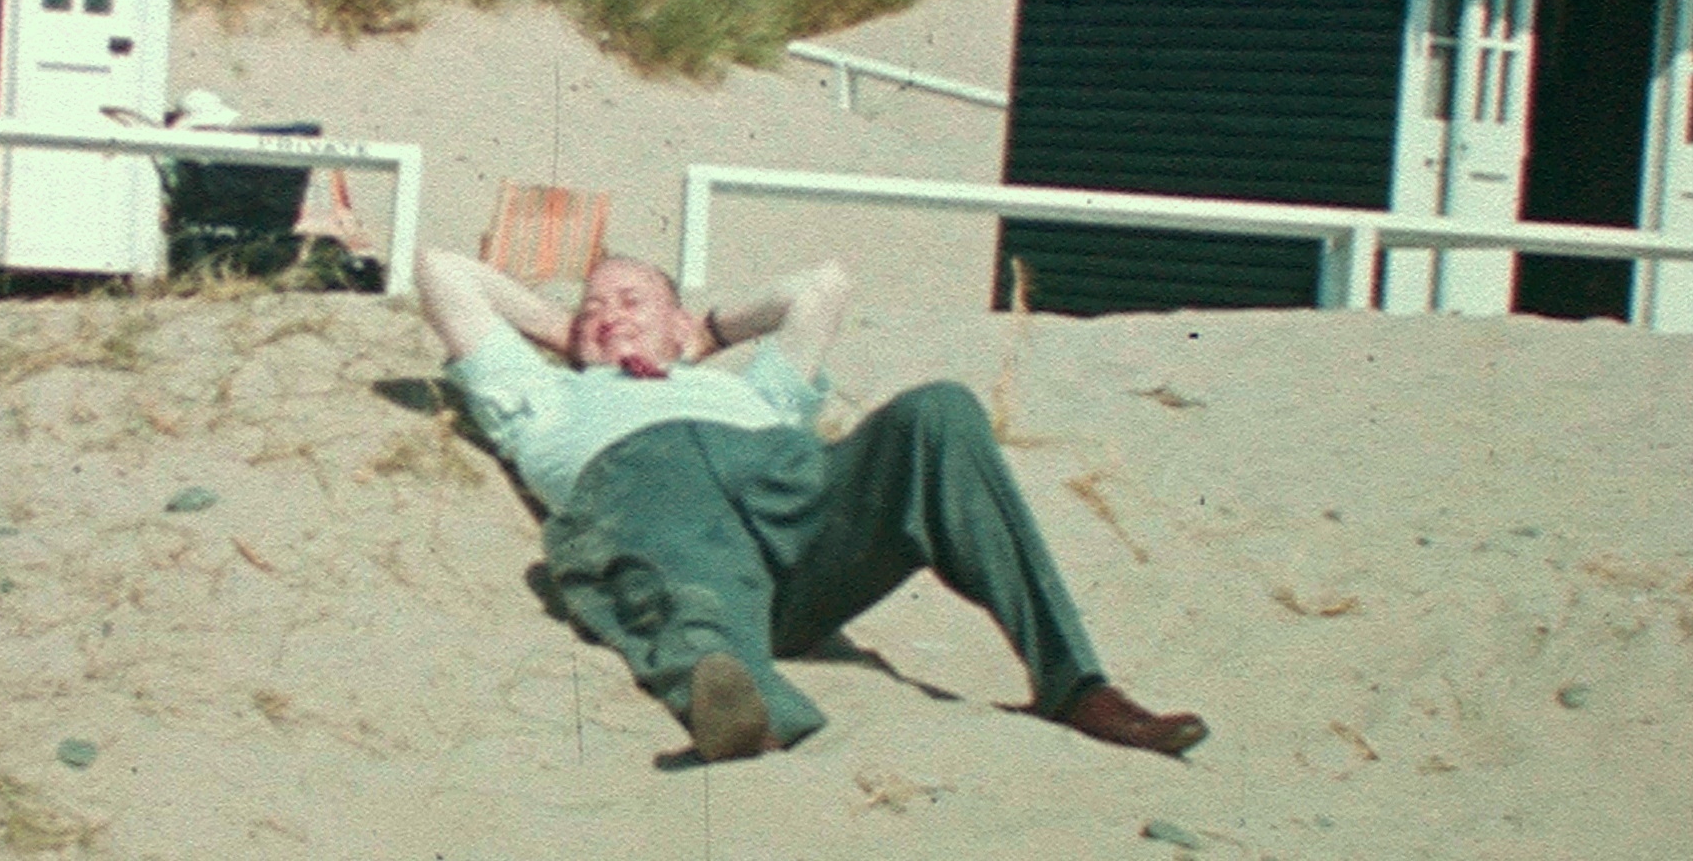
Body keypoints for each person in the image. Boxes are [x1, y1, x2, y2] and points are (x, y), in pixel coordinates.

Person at [415, 246, 1208, 762]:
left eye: (630, 299)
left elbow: (822, 286)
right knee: (670, 549)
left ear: (679, 324)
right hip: (656, 508)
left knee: (940, 410)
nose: (606, 314)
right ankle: (744, 706)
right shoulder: (539, 393)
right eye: (591, 306)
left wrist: (707, 335)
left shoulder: (755, 390)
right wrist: (567, 332)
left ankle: (1078, 687)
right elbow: (441, 269)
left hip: (798, 517)